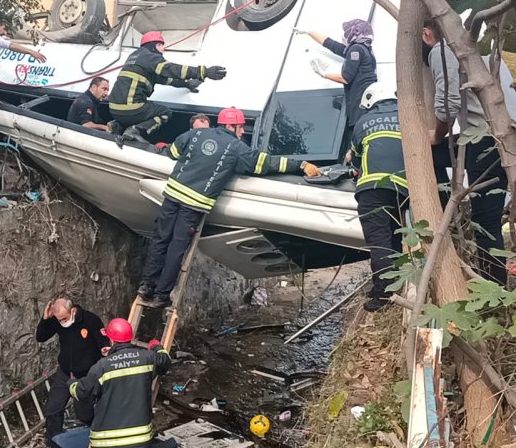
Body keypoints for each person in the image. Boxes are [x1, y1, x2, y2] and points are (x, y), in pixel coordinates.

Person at [138, 107, 322, 308]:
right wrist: (300, 165)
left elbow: (173, 151)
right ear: (230, 126)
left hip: (172, 196)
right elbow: (265, 163)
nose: (242, 131)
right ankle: (161, 296)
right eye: (240, 127)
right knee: (176, 248)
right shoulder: (236, 148)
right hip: (194, 204)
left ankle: (146, 286)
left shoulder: (196, 134)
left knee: (160, 239)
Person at [422, 20, 509, 285]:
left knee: (486, 221)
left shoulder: (442, 50)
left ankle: (495, 288)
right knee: (490, 217)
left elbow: (448, 107)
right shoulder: (478, 47)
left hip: (487, 137)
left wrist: (437, 136)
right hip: (508, 133)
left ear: (426, 33)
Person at [69, 318, 170, 448]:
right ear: (130, 338)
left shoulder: (102, 366)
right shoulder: (147, 358)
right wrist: (156, 346)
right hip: (136, 439)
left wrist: (71, 384)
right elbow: (164, 360)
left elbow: (83, 393)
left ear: (111, 340)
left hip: (107, 441)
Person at [348, 83, 408, 312]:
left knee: (379, 241)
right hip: (402, 189)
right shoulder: (407, 118)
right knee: (394, 237)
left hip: (372, 189)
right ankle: (392, 286)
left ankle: (383, 296)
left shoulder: (363, 122)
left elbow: (356, 160)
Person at [109, 31, 227, 143]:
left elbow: (165, 79)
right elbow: (171, 69)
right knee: (164, 112)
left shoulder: (136, 57)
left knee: (142, 109)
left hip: (114, 109)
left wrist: (187, 84)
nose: (163, 49)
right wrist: (203, 71)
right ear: (153, 45)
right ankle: (135, 131)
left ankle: (117, 125)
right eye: (160, 45)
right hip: (130, 107)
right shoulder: (149, 56)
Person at [35, 297, 109, 445]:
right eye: (59, 320)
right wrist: (45, 319)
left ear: (72, 311)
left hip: (85, 376)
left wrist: (104, 353)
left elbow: (103, 343)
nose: (62, 322)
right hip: (65, 373)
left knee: (84, 414)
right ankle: (54, 446)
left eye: (64, 318)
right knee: (52, 409)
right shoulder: (57, 321)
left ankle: (96, 440)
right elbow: (41, 337)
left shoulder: (90, 320)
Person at [296, 19, 378, 126]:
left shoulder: (356, 49)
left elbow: (345, 78)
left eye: (348, 32)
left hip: (360, 103)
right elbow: (332, 45)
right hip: (368, 103)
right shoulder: (365, 50)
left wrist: (324, 74)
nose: (345, 35)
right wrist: (309, 32)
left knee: (358, 130)